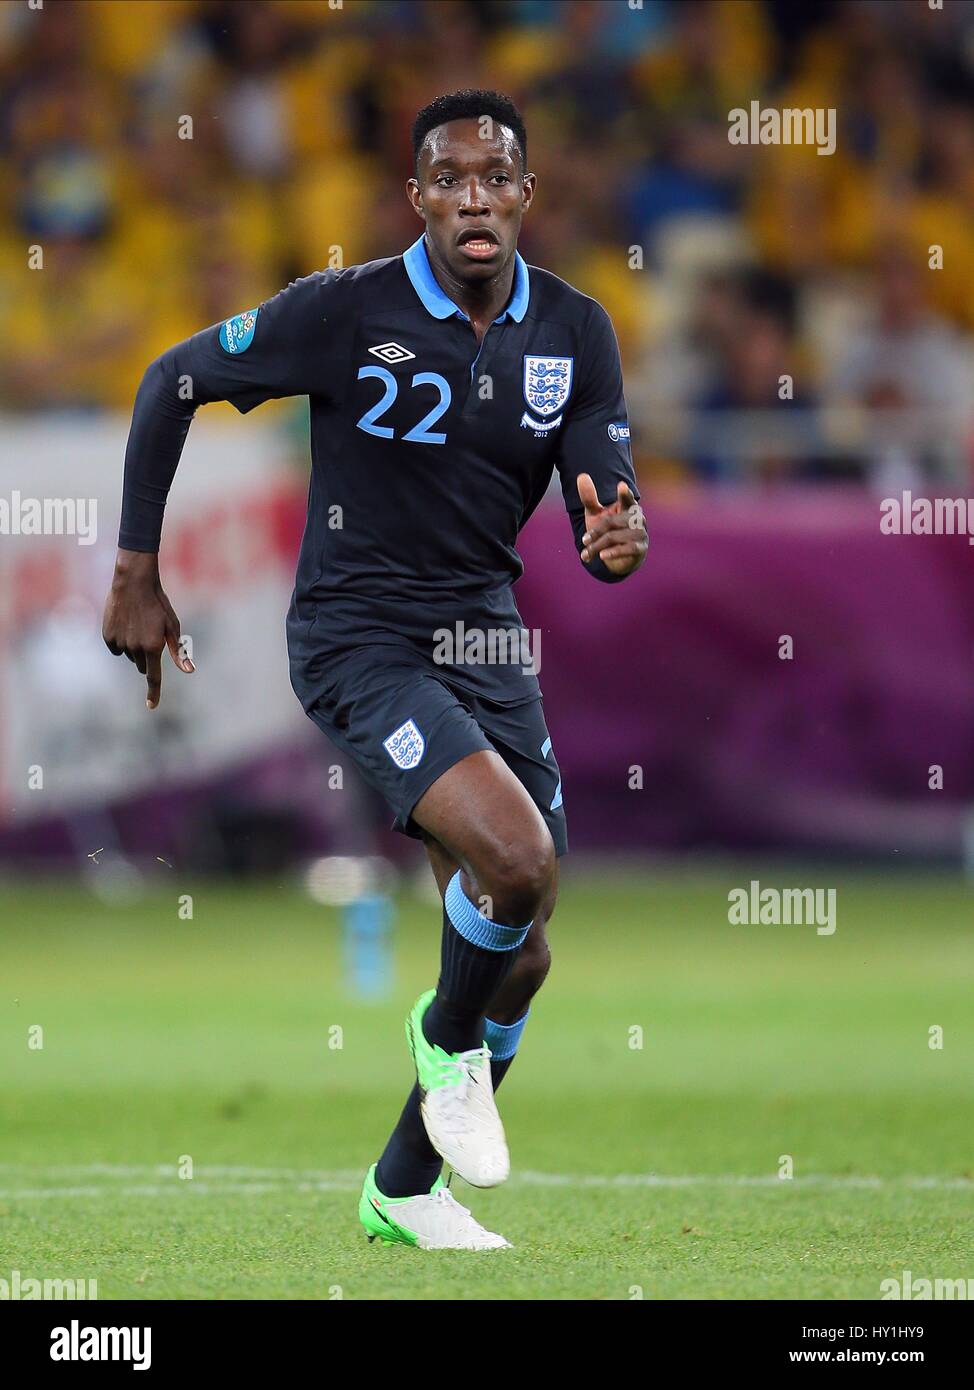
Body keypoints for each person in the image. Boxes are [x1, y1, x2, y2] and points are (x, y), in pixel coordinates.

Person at [102, 89, 648, 1250]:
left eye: (493, 177)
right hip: (358, 635)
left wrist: (616, 540)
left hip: (484, 636)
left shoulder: (575, 332)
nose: (472, 200)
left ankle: (402, 1189)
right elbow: (172, 381)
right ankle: (443, 1045)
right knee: (514, 858)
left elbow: (606, 504)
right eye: (447, 180)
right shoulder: (344, 312)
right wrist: (136, 570)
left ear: (524, 195)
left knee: (526, 939)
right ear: (416, 199)